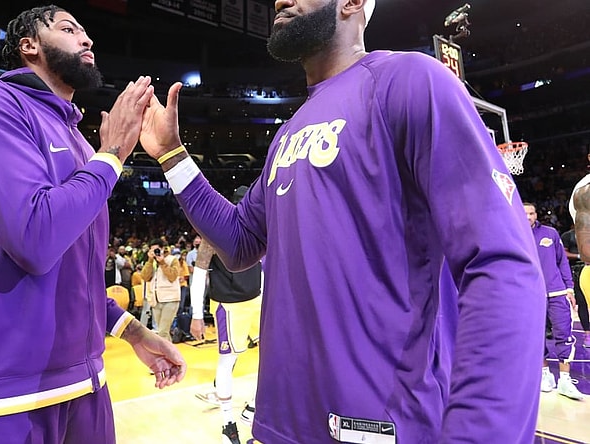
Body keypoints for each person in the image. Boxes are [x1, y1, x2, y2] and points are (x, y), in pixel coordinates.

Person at [138, 0, 546, 441]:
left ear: (351, 3)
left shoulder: (410, 80)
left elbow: (503, 267)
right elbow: (238, 242)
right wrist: (171, 156)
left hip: (381, 423)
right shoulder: (288, 133)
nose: (279, 0)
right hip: (283, 423)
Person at [0, 5, 186, 444]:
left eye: (86, 31)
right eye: (69, 28)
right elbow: (35, 238)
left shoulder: (77, 139)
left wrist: (132, 331)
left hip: (84, 381)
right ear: (28, 45)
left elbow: (74, 272)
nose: (87, 39)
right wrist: (111, 155)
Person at [190, 186, 263, 444]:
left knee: (274, 353)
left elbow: (264, 266)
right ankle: (227, 424)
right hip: (229, 305)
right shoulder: (216, 231)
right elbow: (199, 272)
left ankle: (254, 405)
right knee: (227, 360)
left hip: (257, 299)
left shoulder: (260, 226)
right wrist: (197, 314)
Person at [524, 203, 584, 400]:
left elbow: (562, 262)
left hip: (557, 292)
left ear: (536, 214)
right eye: (525, 214)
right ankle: (544, 375)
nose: (529, 217)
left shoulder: (550, 233)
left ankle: (565, 380)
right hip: (531, 295)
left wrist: (569, 287)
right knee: (536, 335)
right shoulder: (514, 236)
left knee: (564, 334)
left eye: (532, 213)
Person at [140, 239, 181, 342]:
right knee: (163, 332)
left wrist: (162, 263)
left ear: (163, 248)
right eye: (152, 250)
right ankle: (171, 354)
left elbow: (172, 276)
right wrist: (149, 261)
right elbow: (144, 276)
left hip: (170, 298)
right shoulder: (151, 262)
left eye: (157, 249)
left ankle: (166, 355)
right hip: (155, 299)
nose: (155, 252)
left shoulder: (173, 259)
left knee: (162, 332)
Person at [560, 226, 590, 347]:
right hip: (577, 271)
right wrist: (579, 256)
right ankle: (588, 334)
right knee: (582, 303)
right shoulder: (568, 236)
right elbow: (563, 253)